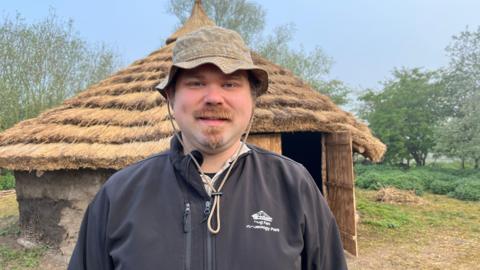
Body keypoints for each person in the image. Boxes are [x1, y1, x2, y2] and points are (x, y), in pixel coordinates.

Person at [68, 26, 348, 270]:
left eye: (230, 83)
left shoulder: (294, 186)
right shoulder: (119, 195)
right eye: (196, 82)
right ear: (170, 97)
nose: (214, 97)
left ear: (253, 99)